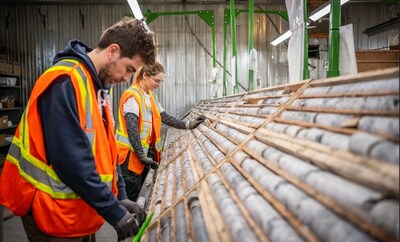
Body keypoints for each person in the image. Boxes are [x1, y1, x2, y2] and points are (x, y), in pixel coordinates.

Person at [0, 17, 156, 242]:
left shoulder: (98, 88)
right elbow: (71, 162)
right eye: (129, 69)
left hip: (80, 209)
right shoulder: (64, 82)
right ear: (113, 51)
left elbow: (108, 150)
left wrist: (120, 196)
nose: (127, 78)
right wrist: (112, 210)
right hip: (51, 213)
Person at [115, 62, 206, 202]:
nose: (159, 84)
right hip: (129, 157)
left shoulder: (150, 96)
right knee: (132, 198)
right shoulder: (132, 96)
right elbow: (131, 128)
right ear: (145, 75)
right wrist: (141, 154)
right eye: (156, 80)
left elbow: (165, 117)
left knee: (141, 197)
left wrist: (188, 124)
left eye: (161, 81)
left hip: (140, 155)